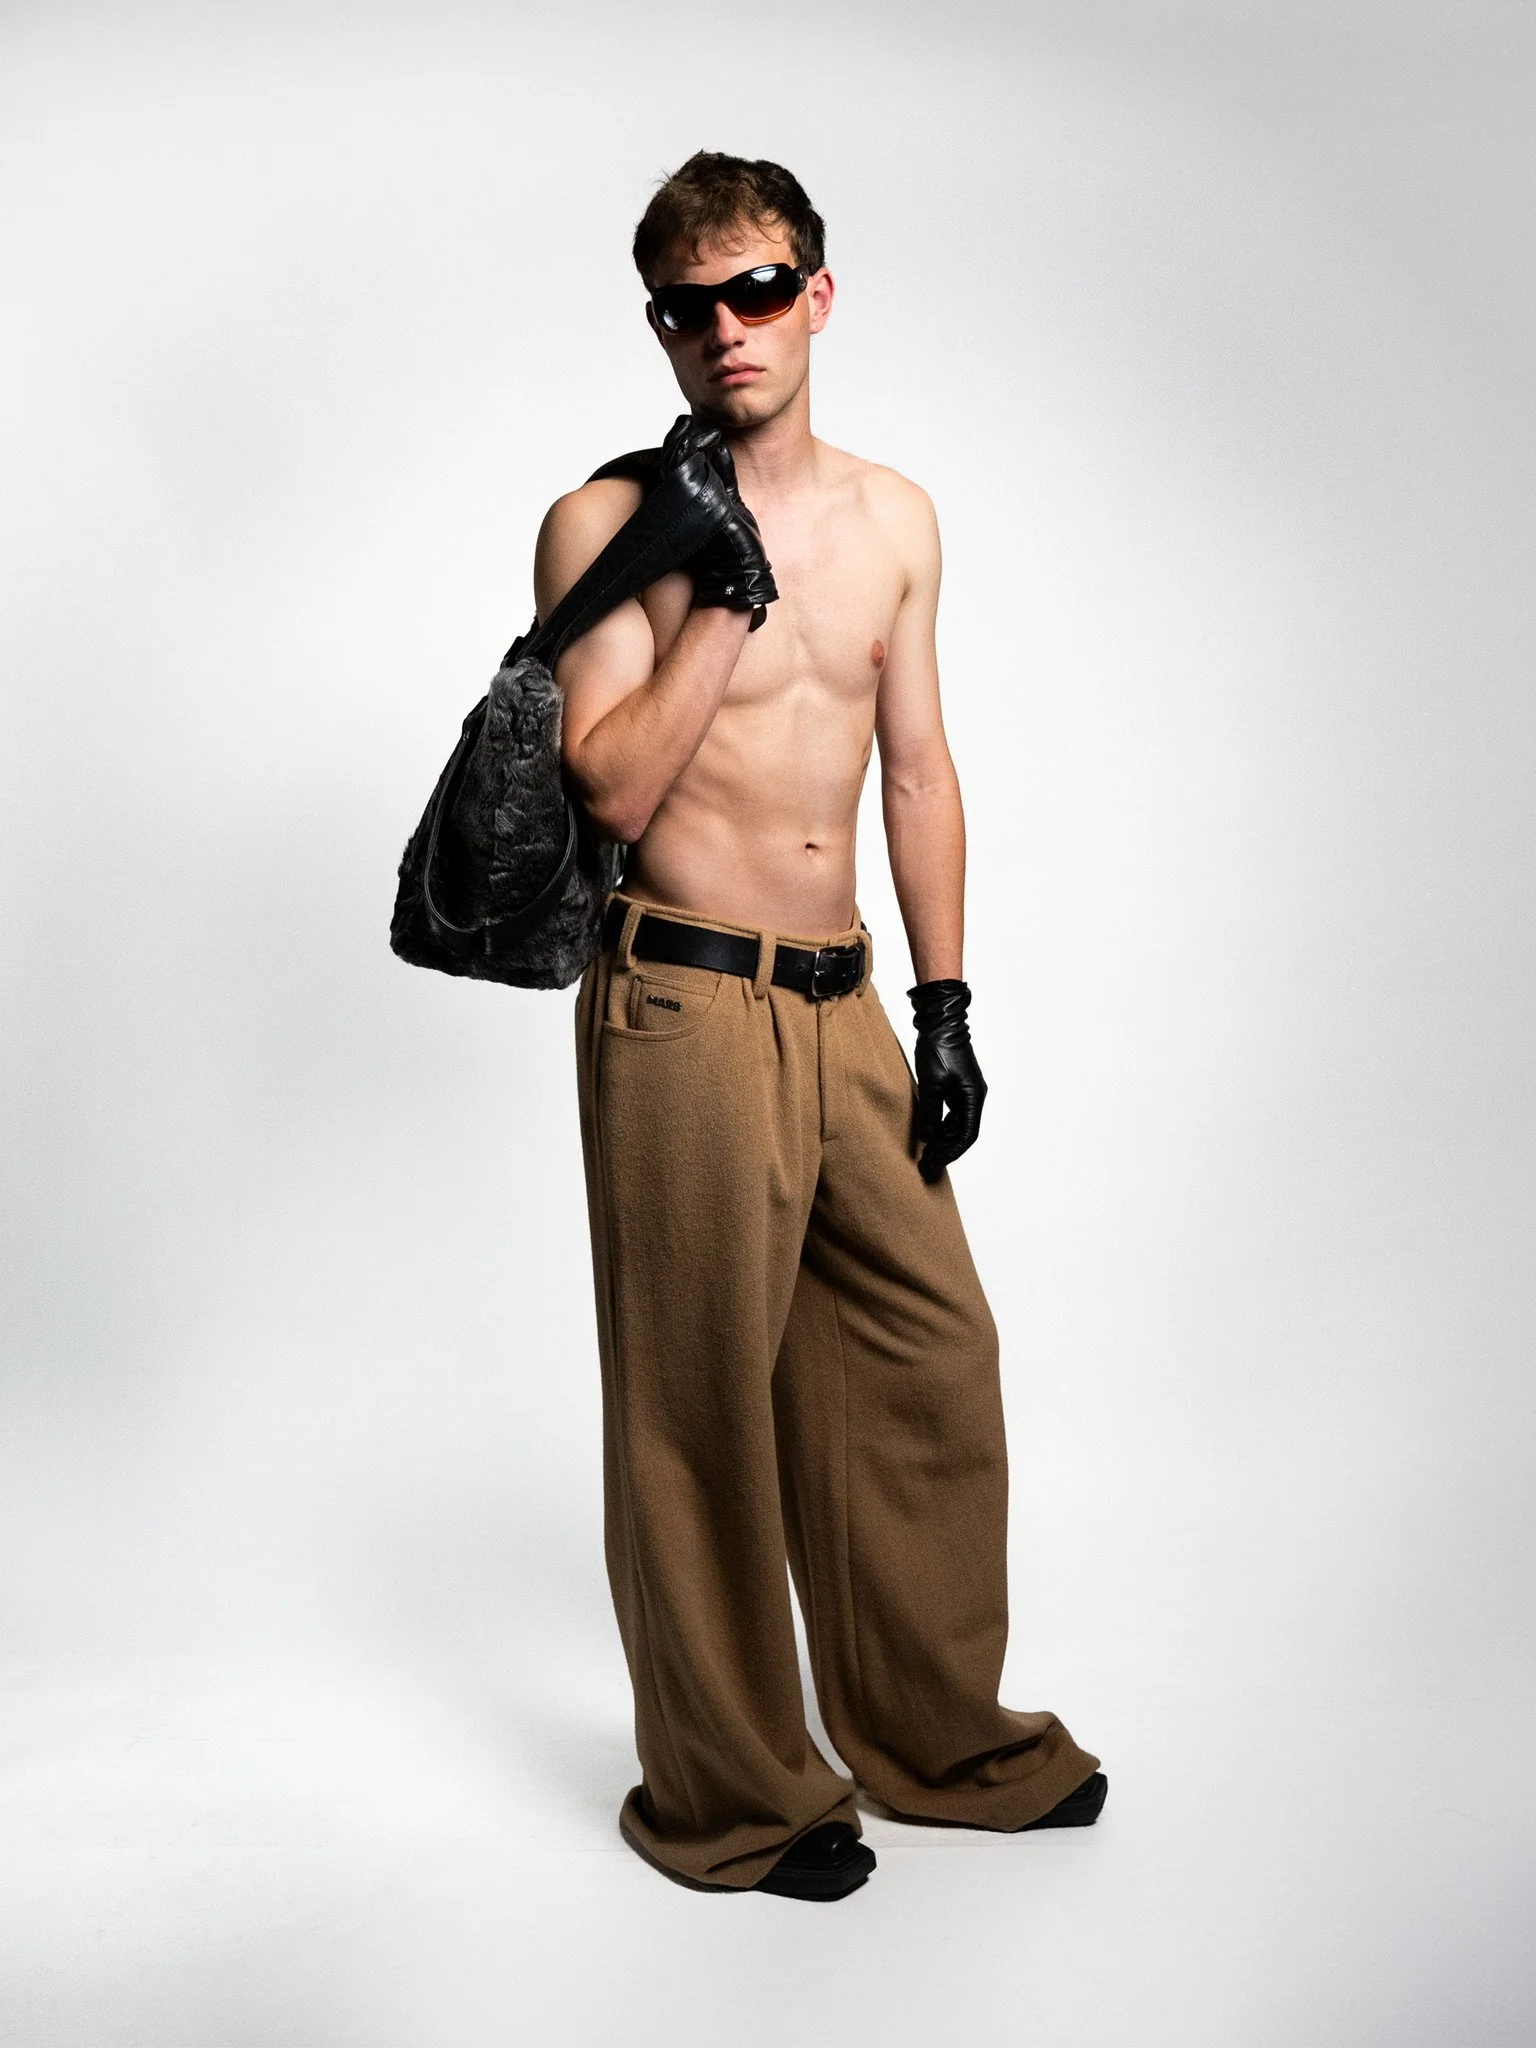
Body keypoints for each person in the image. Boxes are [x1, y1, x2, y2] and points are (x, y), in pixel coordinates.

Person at [533, 151, 1104, 1902]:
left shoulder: (897, 518)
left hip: (848, 998)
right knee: (697, 1402)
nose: (728, 331)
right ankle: (736, 1799)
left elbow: (918, 769)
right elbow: (613, 783)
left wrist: (946, 1003)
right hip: (683, 1000)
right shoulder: (599, 523)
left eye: (759, 290)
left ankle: (934, 1740)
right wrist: (711, 580)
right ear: (662, 328)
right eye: (689, 307)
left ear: (819, 296)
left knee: (929, 1356)